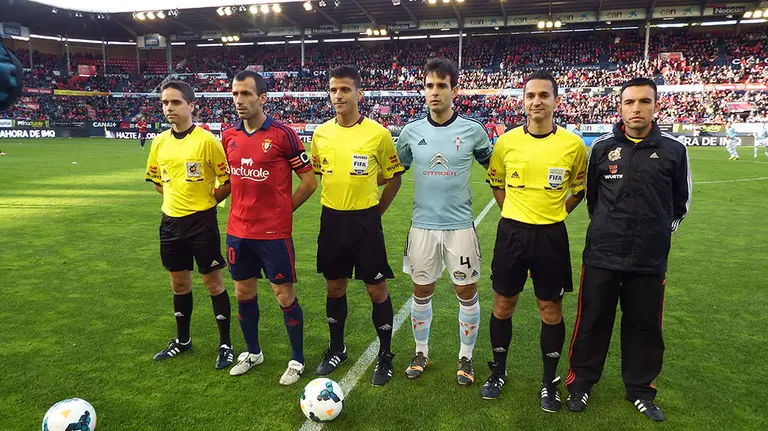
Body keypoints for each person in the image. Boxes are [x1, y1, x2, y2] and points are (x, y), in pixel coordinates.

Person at [565, 78, 692, 422]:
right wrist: (610, 227)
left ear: (655, 106)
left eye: (644, 102)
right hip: (604, 253)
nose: (637, 108)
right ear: (619, 107)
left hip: (649, 258)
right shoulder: (603, 148)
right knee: (592, 320)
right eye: (630, 102)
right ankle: (581, 384)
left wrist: (655, 235)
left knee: (644, 325)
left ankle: (640, 389)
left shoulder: (674, 150)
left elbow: (680, 204)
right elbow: (593, 200)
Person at [482, 70, 587, 413]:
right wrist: (514, 212)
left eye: (544, 95)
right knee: (503, 305)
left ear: (555, 101)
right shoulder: (507, 142)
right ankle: (498, 371)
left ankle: (549, 382)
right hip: (511, 233)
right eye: (531, 96)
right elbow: (497, 184)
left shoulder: (573, 145)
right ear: (523, 101)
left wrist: (554, 213)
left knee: (550, 309)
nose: (537, 101)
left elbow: (579, 190)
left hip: (551, 237)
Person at [396, 58, 492, 385]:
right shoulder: (410, 133)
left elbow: (495, 172)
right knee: (421, 289)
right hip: (422, 226)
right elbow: (396, 171)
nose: (434, 92)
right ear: (423, 90)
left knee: (466, 290)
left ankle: (465, 357)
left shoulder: (473, 131)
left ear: (454, 90)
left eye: (441, 86)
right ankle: (421, 351)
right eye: (429, 86)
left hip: (460, 226)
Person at [221, 70, 317, 385]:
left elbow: (309, 181)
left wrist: (283, 211)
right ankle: (253, 352)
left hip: (273, 234)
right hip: (238, 231)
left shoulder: (282, 134)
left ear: (262, 98)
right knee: (243, 292)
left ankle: (297, 359)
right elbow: (227, 181)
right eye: (235, 94)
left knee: (283, 295)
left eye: (246, 94)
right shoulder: (228, 135)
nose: (239, 100)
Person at [311, 65, 404, 386]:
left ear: (359, 94)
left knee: (375, 289)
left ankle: (386, 355)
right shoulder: (321, 134)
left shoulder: (378, 134)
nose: (338, 95)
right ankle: (337, 348)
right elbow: (320, 171)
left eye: (345, 90)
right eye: (334, 89)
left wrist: (377, 211)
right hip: (331, 220)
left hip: (365, 221)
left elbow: (394, 177)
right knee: (334, 287)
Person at [144, 81, 235, 370]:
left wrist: (208, 201)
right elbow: (159, 183)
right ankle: (183, 341)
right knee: (179, 284)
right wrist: (176, 200)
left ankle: (225, 345)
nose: (169, 108)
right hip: (170, 223)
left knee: (213, 283)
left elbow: (227, 181)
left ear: (191, 105)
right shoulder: (159, 142)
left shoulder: (207, 141)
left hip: (201, 223)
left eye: (175, 102)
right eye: (164, 103)